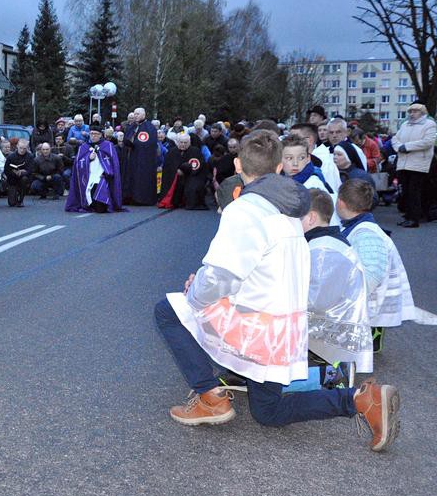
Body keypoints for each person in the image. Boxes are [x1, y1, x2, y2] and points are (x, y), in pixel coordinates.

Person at [152, 131, 400, 452]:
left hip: (256, 326)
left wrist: (194, 295)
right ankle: (360, 399)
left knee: (169, 310)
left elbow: (222, 275)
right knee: (268, 412)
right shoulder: (289, 211)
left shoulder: (245, 210)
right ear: (280, 167)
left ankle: (210, 396)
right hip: (285, 331)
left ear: (238, 164)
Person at [337, 179, 416, 353]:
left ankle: (369, 332)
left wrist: (349, 299)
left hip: (371, 300)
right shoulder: (360, 227)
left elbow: (372, 275)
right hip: (371, 298)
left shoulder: (366, 233)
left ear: (340, 202)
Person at [301, 189, 373, 374]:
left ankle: (327, 375)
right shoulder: (325, 241)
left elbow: (317, 301)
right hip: (336, 324)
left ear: (310, 218)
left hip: (336, 333)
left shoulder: (324, 249)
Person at [390, 102, 436, 228]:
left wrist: (407, 147)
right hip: (403, 163)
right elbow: (395, 139)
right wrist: (399, 147)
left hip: (418, 164)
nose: (412, 113)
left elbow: (427, 142)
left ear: (422, 113)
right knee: (406, 191)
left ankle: (414, 218)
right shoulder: (405, 124)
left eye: (415, 111)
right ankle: (409, 216)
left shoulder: (430, 124)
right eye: (410, 111)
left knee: (414, 192)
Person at [65, 128, 123, 213]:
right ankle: (89, 204)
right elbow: (77, 164)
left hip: (103, 175)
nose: (93, 136)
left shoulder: (108, 145)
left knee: (101, 204)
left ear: (100, 135)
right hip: (88, 175)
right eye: (92, 133)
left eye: (96, 134)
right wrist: (88, 158)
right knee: (89, 191)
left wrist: (106, 173)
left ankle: (102, 204)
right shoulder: (83, 147)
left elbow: (113, 162)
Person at [157, 133, 208, 210]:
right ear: (177, 142)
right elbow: (167, 167)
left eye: (185, 142)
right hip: (175, 176)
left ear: (189, 142)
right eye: (181, 142)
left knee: (193, 185)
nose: (183, 144)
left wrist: (186, 171)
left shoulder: (196, 151)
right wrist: (176, 171)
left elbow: (199, 166)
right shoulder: (171, 152)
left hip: (191, 176)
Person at [290, 122, 341, 194]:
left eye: (294, 138)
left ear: (309, 140)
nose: (289, 142)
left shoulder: (326, 164)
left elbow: (330, 195)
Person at [122, 107, 159, 205]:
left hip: (143, 159)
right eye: (134, 114)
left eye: (137, 114)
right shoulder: (131, 126)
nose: (135, 116)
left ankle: (141, 199)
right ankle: (128, 197)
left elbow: (150, 143)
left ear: (144, 115)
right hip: (130, 157)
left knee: (141, 178)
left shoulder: (150, 128)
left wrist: (135, 144)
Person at [4, 138, 35, 207]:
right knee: (12, 204)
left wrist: (21, 172)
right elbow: (6, 170)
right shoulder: (11, 156)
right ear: (17, 146)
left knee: (24, 179)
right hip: (12, 179)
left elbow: (31, 170)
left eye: (24, 148)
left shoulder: (30, 156)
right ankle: (15, 194)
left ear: (27, 148)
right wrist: (14, 173)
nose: (22, 150)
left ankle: (21, 199)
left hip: (24, 178)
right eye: (21, 148)